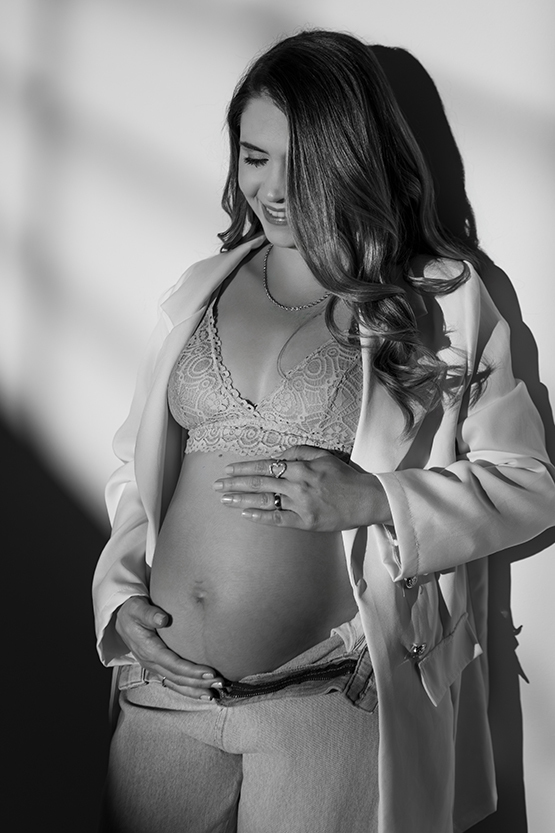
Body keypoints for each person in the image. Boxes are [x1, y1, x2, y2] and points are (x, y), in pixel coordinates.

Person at [93, 30, 554, 833]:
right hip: (161, 691)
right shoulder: (201, 288)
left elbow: (529, 483)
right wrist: (120, 598)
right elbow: (138, 471)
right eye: (253, 157)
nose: (271, 189)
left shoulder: (438, 299)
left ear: (348, 157)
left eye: (298, 161)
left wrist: (376, 498)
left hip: (322, 702)